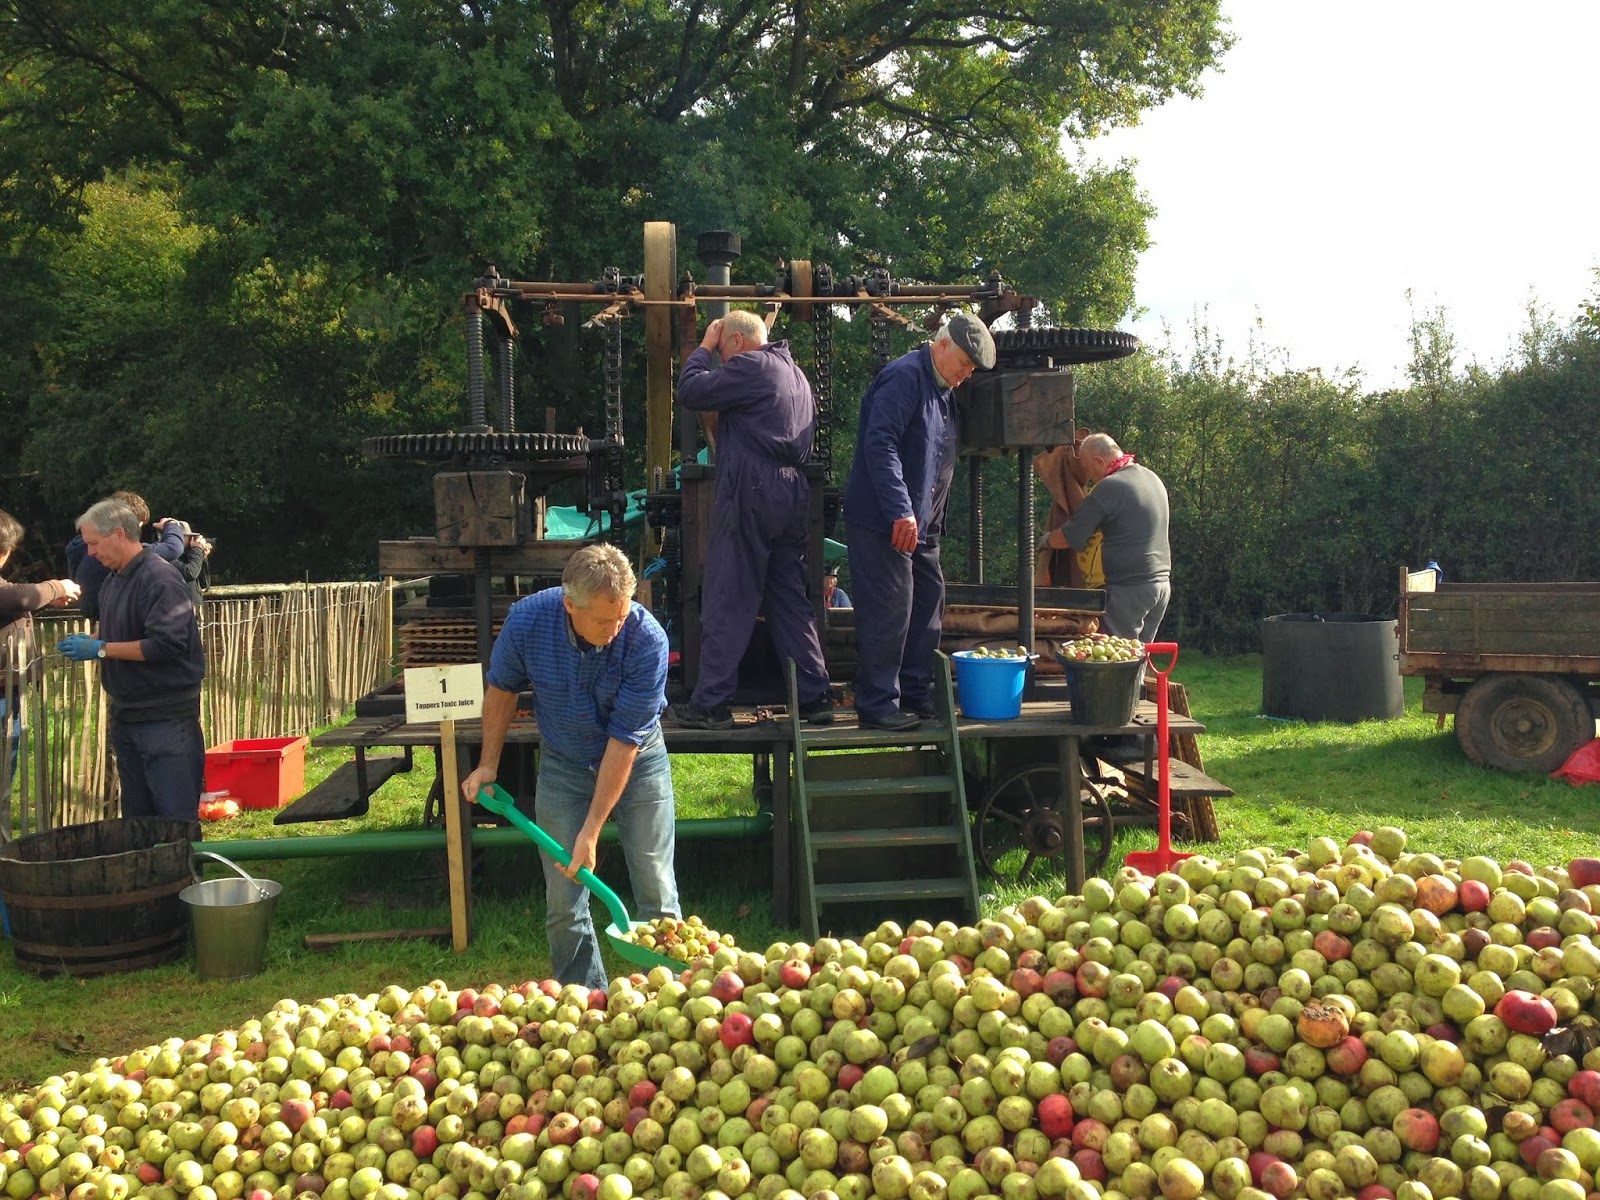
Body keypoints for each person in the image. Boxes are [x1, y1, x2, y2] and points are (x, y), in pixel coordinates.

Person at [460, 544, 680, 989]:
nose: (615, 628)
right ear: (569, 604)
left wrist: (592, 830)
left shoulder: (648, 639)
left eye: (621, 616)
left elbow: (623, 744)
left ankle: (669, 1005)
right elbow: (501, 690)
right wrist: (488, 765)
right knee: (564, 900)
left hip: (636, 761)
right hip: (564, 761)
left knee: (656, 888)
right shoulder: (527, 621)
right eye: (602, 620)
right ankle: (584, 1001)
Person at [669, 309, 833, 729]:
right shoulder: (795, 375)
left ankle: (711, 705)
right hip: (791, 491)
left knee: (731, 593)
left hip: (751, 490)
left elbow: (690, 391)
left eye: (724, 351)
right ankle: (816, 699)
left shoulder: (751, 365)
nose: (722, 359)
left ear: (738, 342)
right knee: (787, 596)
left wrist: (704, 346)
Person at [843, 311, 995, 730]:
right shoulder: (905, 376)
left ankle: (914, 689)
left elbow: (934, 458)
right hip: (884, 520)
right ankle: (877, 704)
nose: (967, 374)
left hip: (922, 525)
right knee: (890, 607)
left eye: (971, 369)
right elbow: (881, 442)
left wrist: (928, 522)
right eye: (965, 363)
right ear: (943, 344)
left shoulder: (943, 388)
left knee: (929, 599)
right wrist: (900, 509)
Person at [57, 498, 206, 821]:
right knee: (139, 817)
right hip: (128, 713)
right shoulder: (114, 579)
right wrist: (94, 642)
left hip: (164, 716)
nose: (91, 553)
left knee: (174, 818)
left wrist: (100, 649)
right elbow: (127, 635)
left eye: (94, 544)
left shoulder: (160, 580)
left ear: (120, 534)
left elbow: (166, 646)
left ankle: (184, 872)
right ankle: (150, 872)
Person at [1043, 432, 1171, 640]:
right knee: (1138, 656)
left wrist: (1044, 540)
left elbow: (1070, 537)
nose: (1089, 477)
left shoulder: (1111, 486)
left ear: (1099, 461)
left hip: (1128, 589)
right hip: (1160, 585)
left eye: (1087, 468)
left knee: (1116, 659)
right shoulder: (1150, 477)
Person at [1, 510, 82, 815]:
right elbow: (19, 599)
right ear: (5, 551)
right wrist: (58, 587)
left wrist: (47, 600)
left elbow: (12, 606)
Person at [65, 491, 185, 622]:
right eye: (137, 525)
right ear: (121, 530)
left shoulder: (79, 548)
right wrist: (172, 525)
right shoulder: (154, 578)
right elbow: (173, 548)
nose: (91, 552)